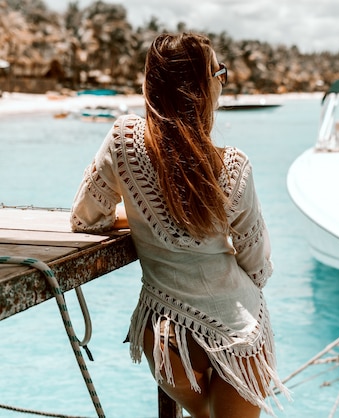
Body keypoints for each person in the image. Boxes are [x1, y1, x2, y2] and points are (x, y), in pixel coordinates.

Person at [70, 33, 288, 417]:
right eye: (219, 72)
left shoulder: (123, 140)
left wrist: (141, 220)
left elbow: (86, 217)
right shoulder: (234, 166)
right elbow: (255, 262)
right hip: (242, 332)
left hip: (169, 334)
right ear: (205, 87)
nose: (222, 79)